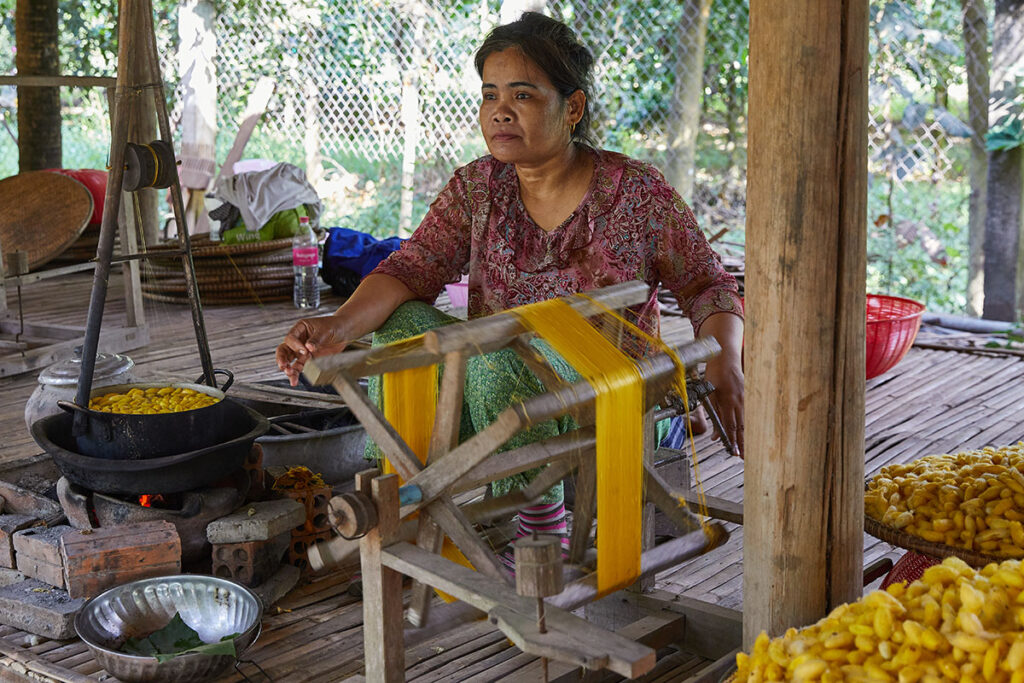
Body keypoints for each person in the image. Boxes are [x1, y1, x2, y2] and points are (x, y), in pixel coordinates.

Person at [277, 12, 744, 555]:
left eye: (522, 95)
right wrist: (336, 326)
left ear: (572, 107)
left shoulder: (635, 192)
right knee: (405, 325)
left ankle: (532, 524)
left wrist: (724, 360)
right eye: (489, 94)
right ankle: (419, 479)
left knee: (497, 363)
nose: (499, 111)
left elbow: (707, 285)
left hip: (603, 381)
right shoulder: (478, 187)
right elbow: (411, 268)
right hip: (499, 377)